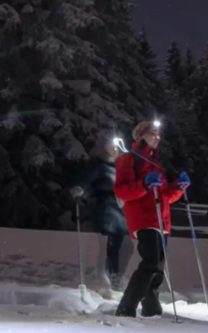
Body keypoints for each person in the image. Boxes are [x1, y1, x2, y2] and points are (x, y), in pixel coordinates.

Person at [113, 121, 189, 317]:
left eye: (158, 134)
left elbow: (164, 196)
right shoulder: (129, 159)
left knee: (158, 265)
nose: (157, 137)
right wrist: (144, 185)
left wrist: (178, 188)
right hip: (143, 217)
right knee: (151, 262)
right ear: (140, 135)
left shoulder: (156, 162)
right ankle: (126, 306)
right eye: (153, 133)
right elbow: (122, 190)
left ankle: (151, 305)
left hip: (160, 219)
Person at [75, 135, 128, 289]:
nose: (115, 150)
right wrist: (80, 188)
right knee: (112, 240)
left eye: (117, 147)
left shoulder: (119, 168)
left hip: (119, 206)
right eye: (112, 146)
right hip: (106, 205)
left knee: (121, 242)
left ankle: (112, 274)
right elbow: (87, 179)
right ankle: (109, 275)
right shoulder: (100, 166)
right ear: (104, 148)